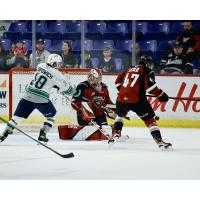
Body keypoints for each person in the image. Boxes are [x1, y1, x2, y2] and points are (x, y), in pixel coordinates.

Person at [0, 54, 75, 143]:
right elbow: (68, 91)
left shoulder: (40, 65)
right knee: (52, 115)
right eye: (58, 63)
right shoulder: (58, 75)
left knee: (16, 117)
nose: (59, 65)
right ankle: (42, 134)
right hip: (41, 98)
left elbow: (45, 78)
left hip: (27, 95)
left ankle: (4, 134)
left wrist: (54, 85)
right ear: (53, 63)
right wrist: (74, 91)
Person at [109, 55, 172, 150]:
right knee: (150, 120)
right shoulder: (147, 70)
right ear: (147, 64)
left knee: (120, 115)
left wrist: (126, 91)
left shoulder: (129, 69)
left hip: (121, 99)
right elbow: (150, 87)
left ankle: (115, 133)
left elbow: (117, 82)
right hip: (137, 101)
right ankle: (159, 141)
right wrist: (161, 95)